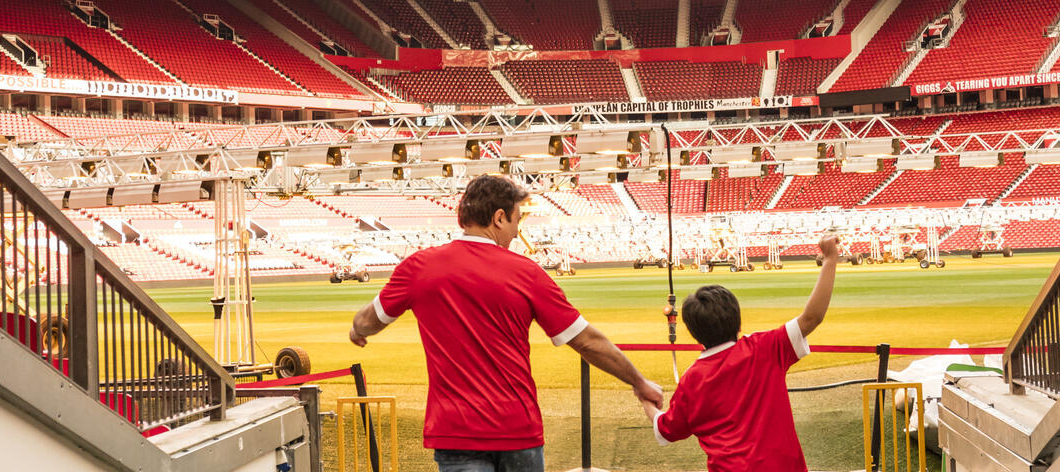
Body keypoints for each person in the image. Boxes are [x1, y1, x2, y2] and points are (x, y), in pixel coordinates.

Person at [348, 175, 663, 472]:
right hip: (517, 430)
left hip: (455, 431)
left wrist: (357, 331)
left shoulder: (418, 267)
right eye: (516, 220)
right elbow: (587, 341)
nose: (516, 232)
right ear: (499, 218)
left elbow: (369, 320)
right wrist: (639, 382)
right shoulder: (527, 273)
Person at [642, 233, 844, 472]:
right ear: (737, 322)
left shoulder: (692, 380)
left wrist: (645, 398)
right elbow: (812, 317)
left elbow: (665, 429)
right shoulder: (764, 348)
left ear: (694, 331)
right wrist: (830, 259)